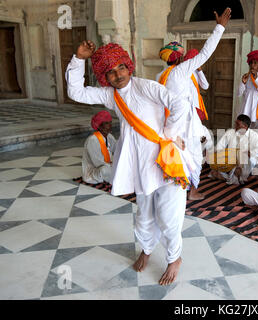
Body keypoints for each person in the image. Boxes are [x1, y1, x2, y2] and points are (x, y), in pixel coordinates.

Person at [66, 36, 196, 285]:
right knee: (144, 215)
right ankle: (147, 249)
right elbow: (76, 92)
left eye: (121, 67)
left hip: (166, 162)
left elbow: (179, 104)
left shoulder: (145, 86)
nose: (117, 75)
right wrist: (78, 60)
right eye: (110, 72)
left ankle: (174, 258)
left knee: (169, 217)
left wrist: (168, 135)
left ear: (129, 65)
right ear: (105, 77)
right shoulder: (111, 95)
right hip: (141, 166)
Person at [156, 8, 231, 200]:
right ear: (180, 58)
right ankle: (192, 190)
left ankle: (178, 186)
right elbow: (206, 52)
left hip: (171, 124)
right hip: (185, 124)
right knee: (195, 157)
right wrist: (220, 28)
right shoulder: (181, 71)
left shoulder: (160, 76)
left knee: (181, 155)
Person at [209, 114, 258, 185]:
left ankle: (232, 176)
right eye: (235, 123)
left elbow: (252, 154)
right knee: (215, 163)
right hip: (230, 160)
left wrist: (237, 156)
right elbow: (219, 147)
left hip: (245, 162)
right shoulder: (230, 132)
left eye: (238, 124)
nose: (235, 126)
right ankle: (233, 177)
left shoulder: (254, 136)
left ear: (245, 127)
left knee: (242, 165)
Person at [82, 110, 117, 184]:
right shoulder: (93, 140)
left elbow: (117, 149)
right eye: (106, 123)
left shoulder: (109, 137)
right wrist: (113, 165)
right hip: (95, 171)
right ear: (100, 126)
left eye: (110, 123)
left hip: (109, 165)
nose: (110, 125)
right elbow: (98, 163)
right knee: (105, 170)